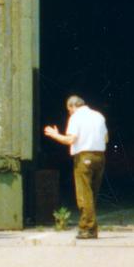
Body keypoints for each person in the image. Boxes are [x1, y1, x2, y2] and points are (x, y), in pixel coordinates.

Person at [44, 96, 108, 239]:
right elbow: (106, 138)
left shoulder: (76, 118)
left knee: (84, 194)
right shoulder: (99, 116)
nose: (69, 113)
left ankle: (88, 228)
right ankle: (88, 225)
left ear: (72, 106)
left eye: (69, 110)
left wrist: (55, 135)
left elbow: (71, 139)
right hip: (100, 156)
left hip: (84, 156)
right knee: (92, 193)